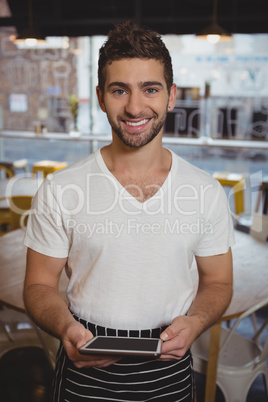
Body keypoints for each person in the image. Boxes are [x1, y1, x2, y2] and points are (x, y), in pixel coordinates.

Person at [23, 21, 234, 402]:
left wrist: (198, 321)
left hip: (169, 369)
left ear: (170, 96)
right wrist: (65, 328)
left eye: (149, 89)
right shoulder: (60, 189)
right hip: (83, 363)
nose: (135, 107)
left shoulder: (205, 191)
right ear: (101, 97)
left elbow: (218, 282)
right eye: (120, 90)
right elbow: (38, 285)